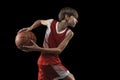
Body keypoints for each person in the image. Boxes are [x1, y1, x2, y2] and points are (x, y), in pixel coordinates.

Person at [18, 7, 79, 80]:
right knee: (71, 78)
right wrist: (30, 28)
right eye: (75, 17)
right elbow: (40, 21)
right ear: (67, 16)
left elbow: (59, 50)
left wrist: (38, 49)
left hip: (43, 61)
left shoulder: (69, 33)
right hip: (51, 62)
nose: (76, 20)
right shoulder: (51, 22)